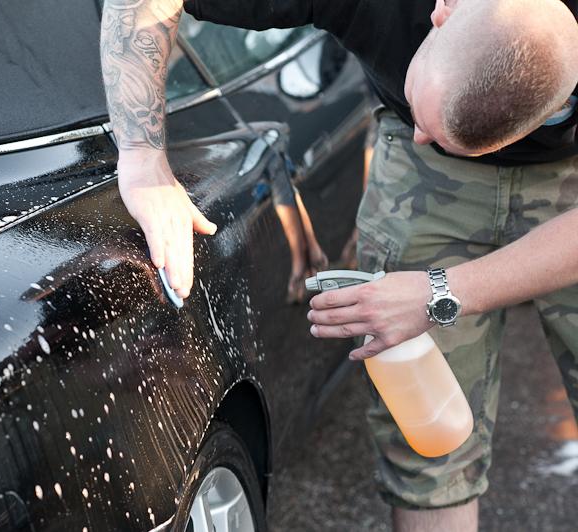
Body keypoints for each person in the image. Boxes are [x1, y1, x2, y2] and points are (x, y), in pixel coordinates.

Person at [100, 0, 578, 530]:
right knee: (428, 447)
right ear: (439, 13)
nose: (425, 133)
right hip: (426, 180)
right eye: (429, 119)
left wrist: (440, 291)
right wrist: (143, 162)